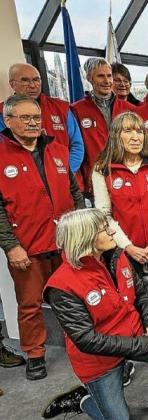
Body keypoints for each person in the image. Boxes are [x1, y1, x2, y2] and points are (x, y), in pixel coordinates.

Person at [41, 209, 148, 420]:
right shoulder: (61, 287)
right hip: (98, 357)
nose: (112, 231)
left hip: (135, 333)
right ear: (86, 237)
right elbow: (86, 340)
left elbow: (142, 294)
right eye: (104, 229)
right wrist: (142, 344)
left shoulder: (118, 256)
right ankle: (82, 399)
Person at [0, 94, 84, 380]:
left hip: (63, 243)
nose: (33, 123)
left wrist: (80, 230)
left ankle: (80, 345)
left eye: (36, 117)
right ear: (8, 120)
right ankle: (35, 354)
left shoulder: (57, 149)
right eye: (25, 118)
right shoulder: (1, 157)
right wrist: (11, 246)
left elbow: (73, 191)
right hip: (27, 247)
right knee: (30, 303)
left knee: (72, 298)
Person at [92, 111, 148, 327]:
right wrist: (129, 247)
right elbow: (104, 214)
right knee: (131, 298)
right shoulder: (103, 169)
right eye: (127, 131)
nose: (135, 137)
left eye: (140, 131)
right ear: (115, 136)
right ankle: (139, 343)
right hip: (125, 249)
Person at [0, 63, 84, 173]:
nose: (33, 85)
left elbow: (77, 146)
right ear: (12, 84)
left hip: (66, 180)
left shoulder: (61, 108)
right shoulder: (3, 113)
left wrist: (64, 174)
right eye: (25, 80)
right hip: (26, 182)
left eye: (36, 80)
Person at [71, 57, 135, 199]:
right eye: (101, 76)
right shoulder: (76, 110)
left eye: (109, 76)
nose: (107, 81)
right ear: (89, 78)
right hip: (96, 184)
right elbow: (75, 148)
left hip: (128, 179)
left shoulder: (130, 109)